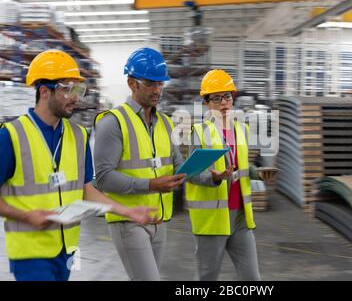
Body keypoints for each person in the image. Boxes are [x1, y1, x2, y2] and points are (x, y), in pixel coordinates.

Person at [0, 49, 153, 281]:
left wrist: (127, 211)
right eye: (67, 89)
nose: (75, 97)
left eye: (78, 89)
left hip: (67, 249)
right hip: (30, 252)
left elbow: (87, 190)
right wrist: (26, 216)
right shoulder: (11, 136)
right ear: (44, 91)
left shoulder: (79, 136)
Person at [94, 47, 186, 281]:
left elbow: (178, 164)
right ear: (132, 84)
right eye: (150, 84)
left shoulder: (165, 123)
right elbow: (103, 178)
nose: (157, 90)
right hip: (128, 221)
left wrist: (208, 175)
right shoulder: (113, 122)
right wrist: (152, 185)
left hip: (159, 219)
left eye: (160, 84)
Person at [185, 69, 261, 281]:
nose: (223, 103)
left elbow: (242, 165)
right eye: (216, 98)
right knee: (207, 278)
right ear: (207, 103)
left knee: (252, 278)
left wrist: (258, 174)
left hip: (240, 218)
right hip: (213, 219)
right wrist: (215, 178)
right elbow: (190, 175)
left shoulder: (242, 129)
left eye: (227, 97)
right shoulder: (199, 133)